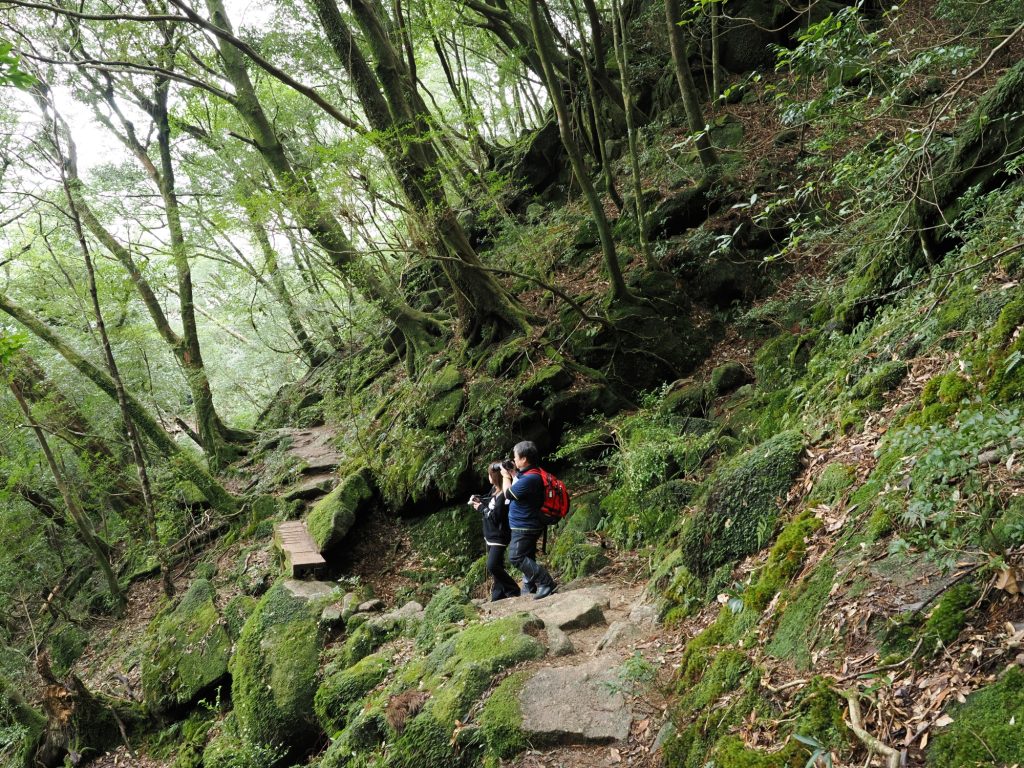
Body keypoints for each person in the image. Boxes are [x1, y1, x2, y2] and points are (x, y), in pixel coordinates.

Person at [501, 440, 557, 600]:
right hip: (527, 523)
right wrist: (512, 474)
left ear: (524, 459)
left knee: (516, 557)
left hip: (525, 526)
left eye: (515, 457)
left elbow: (508, 494)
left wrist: (505, 477)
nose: (514, 460)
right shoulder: (531, 473)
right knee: (528, 556)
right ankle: (530, 585)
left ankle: (546, 582)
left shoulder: (530, 479)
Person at [469, 462, 520, 602]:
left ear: (495, 476)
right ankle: (498, 595)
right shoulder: (494, 490)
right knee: (497, 566)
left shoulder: (503, 495)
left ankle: (513, 589)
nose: (488, 477)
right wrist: (480, 500)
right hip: (491, 535)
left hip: (499, 536)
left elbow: (496, 516)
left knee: (492, 565)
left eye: (490, 474)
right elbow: (490, 503)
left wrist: (480, 508)